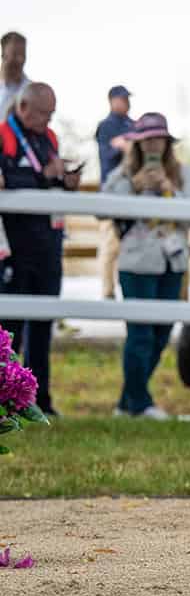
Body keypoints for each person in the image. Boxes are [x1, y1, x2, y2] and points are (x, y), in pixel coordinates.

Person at [102, 113, 190, 418]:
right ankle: (141, 402)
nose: (154, 144)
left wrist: (169, 188)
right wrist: (134, 185)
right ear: (139, 143)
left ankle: (127, 401)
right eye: (148, 139)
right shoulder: (123, 173)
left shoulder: (183, 173)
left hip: (171, 262)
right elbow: (104, 206)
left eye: (159, 138)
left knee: (161, 333)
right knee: (140, 332)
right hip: (136, 262)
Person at [0, 82, 79, 417]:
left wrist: (65, 179)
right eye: (44, 112)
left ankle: (39, 399)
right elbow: (6, 181)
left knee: (44, 324)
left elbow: (46, 180)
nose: (49, 119)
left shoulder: (49, 139)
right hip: (15, 247)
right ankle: (6, 401)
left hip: (48, 245)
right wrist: (39, 176)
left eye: (52, 113)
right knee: (9, 327)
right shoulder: (3, 135)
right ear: (23, 108)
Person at [93, 85, 134, 298]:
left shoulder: (133, 125)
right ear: (112, 100)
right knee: (110, 245)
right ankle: (107, 291)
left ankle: (128, 291)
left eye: (128, 99)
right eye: (122, 99)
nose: (126, 103)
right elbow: (106, 157)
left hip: (132, 193)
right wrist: (120, 146)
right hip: (110, 192)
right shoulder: (106, 126)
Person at [0, 32, 28, 118]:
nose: (20, 60)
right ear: (3, 55)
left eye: (23, 55)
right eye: (15, 54)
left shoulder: (30, 91)